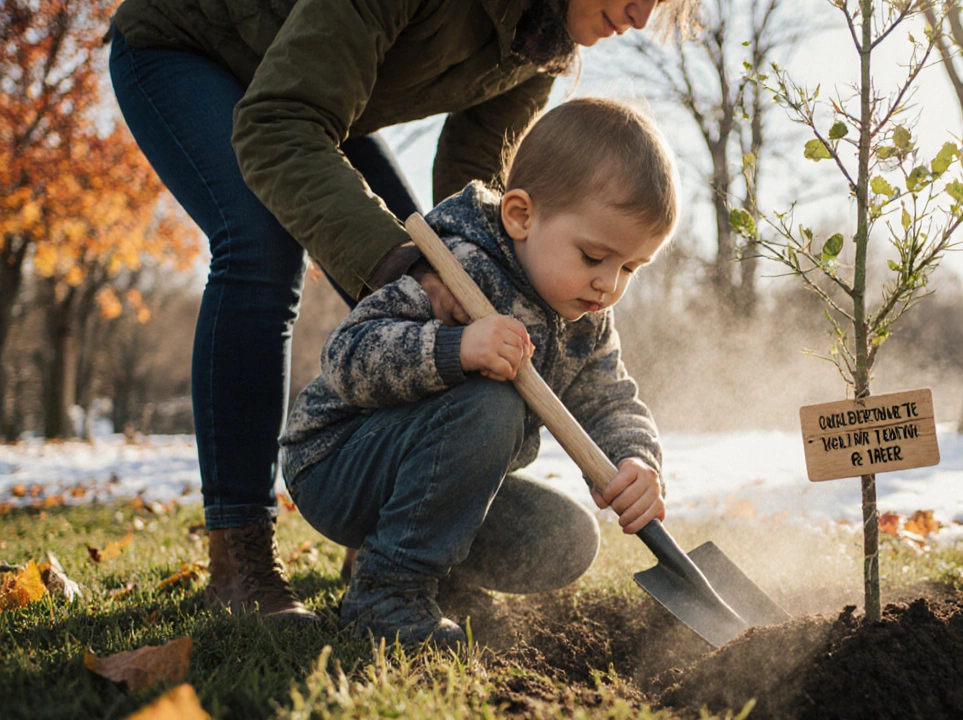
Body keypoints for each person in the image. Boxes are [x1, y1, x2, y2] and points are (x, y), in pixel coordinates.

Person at [107, 0, 696, 625]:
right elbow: (279, 121)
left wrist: (635, 456)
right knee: (262, 243)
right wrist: (416, 277)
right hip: (195, 48)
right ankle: (242, 556)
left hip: (318, 90)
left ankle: (399, 553)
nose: (640, 13)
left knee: (447, 270)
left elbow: (481, 193)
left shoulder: (541, 36)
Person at [279, 97, 675, 647]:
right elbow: (348, 356)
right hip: (337, 462)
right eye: (593, 256)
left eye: (630, 267)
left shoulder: (586, 322)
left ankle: (441, 578)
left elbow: (612, 402)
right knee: (493, 403)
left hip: (427, 478)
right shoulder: (458, 266)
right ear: (521, 215)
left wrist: (637, 458)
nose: (609, 284)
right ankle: (387, 595)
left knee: (566, 539)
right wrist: (455, 348)